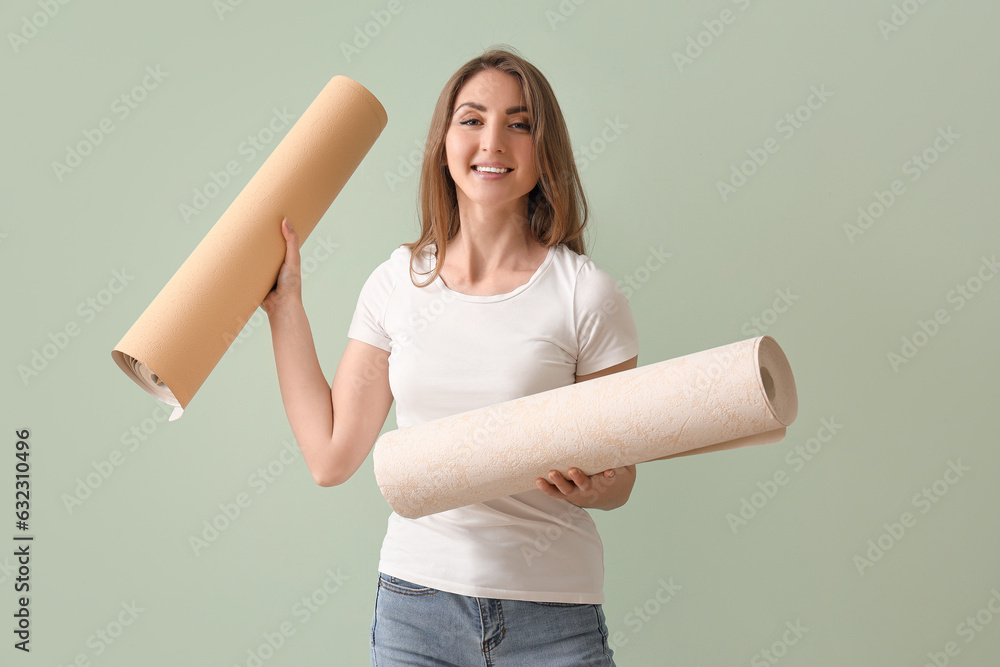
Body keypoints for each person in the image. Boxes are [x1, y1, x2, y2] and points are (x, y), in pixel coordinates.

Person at [262, 46, 639, 666]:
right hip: (418, 611)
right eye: (472, 119)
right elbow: (330, 456)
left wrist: (590, 487)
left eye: (519, 124)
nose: (492, 141)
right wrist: (286, 309)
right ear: (444, 142)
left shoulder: (586, 294)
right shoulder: (397, 283)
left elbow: (621, 479)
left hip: (552, 617)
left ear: (544, 153)